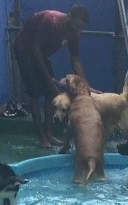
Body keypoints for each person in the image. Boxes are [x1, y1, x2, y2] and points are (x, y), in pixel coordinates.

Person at [13, 4, 90, 148]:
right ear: (69, 16)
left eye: (81, 28)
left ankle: (49, 134)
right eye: (77, 25)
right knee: (35, 92)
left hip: (40, 54)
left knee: (50, 92)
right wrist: (48, 79)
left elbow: (75, 59)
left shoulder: (74, 33)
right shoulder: (50, 20)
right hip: (24, 50)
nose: (77, 30)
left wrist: (85, 84)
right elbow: (35, 49)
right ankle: (41, 137)